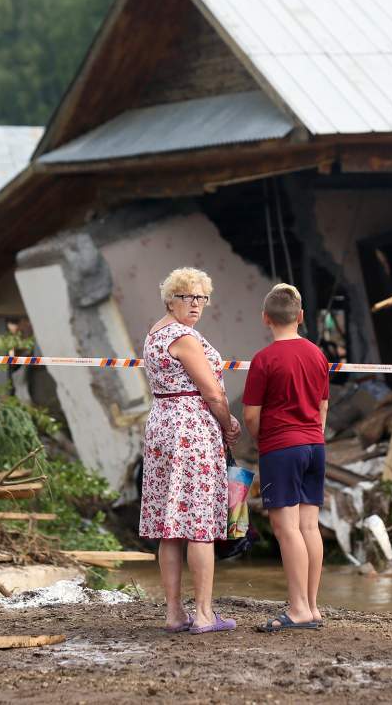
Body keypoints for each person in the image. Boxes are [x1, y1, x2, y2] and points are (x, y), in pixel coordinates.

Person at [140, 267, 241, 635]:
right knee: (199, 524)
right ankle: (203, 613)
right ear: (170, 299)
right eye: (187, 297)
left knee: (170, 526)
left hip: (162, 426)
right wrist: (229, 423)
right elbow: (212, 392)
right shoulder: (184, 337)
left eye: (201, 297)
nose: (196, 304)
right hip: (191, 430)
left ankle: (173, 613)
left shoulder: (155, 332)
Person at [243, 283, 330, 632]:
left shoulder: (264, 360)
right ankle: (311, 605)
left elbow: (251, 415)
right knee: (309, 526)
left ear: (266, 318)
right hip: (315, 445)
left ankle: (297, 609)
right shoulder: (317, 355)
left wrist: (264, 440)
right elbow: (323, 404)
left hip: (281, 446)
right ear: (301, 317)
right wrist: (314, 433)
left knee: (286, 528)